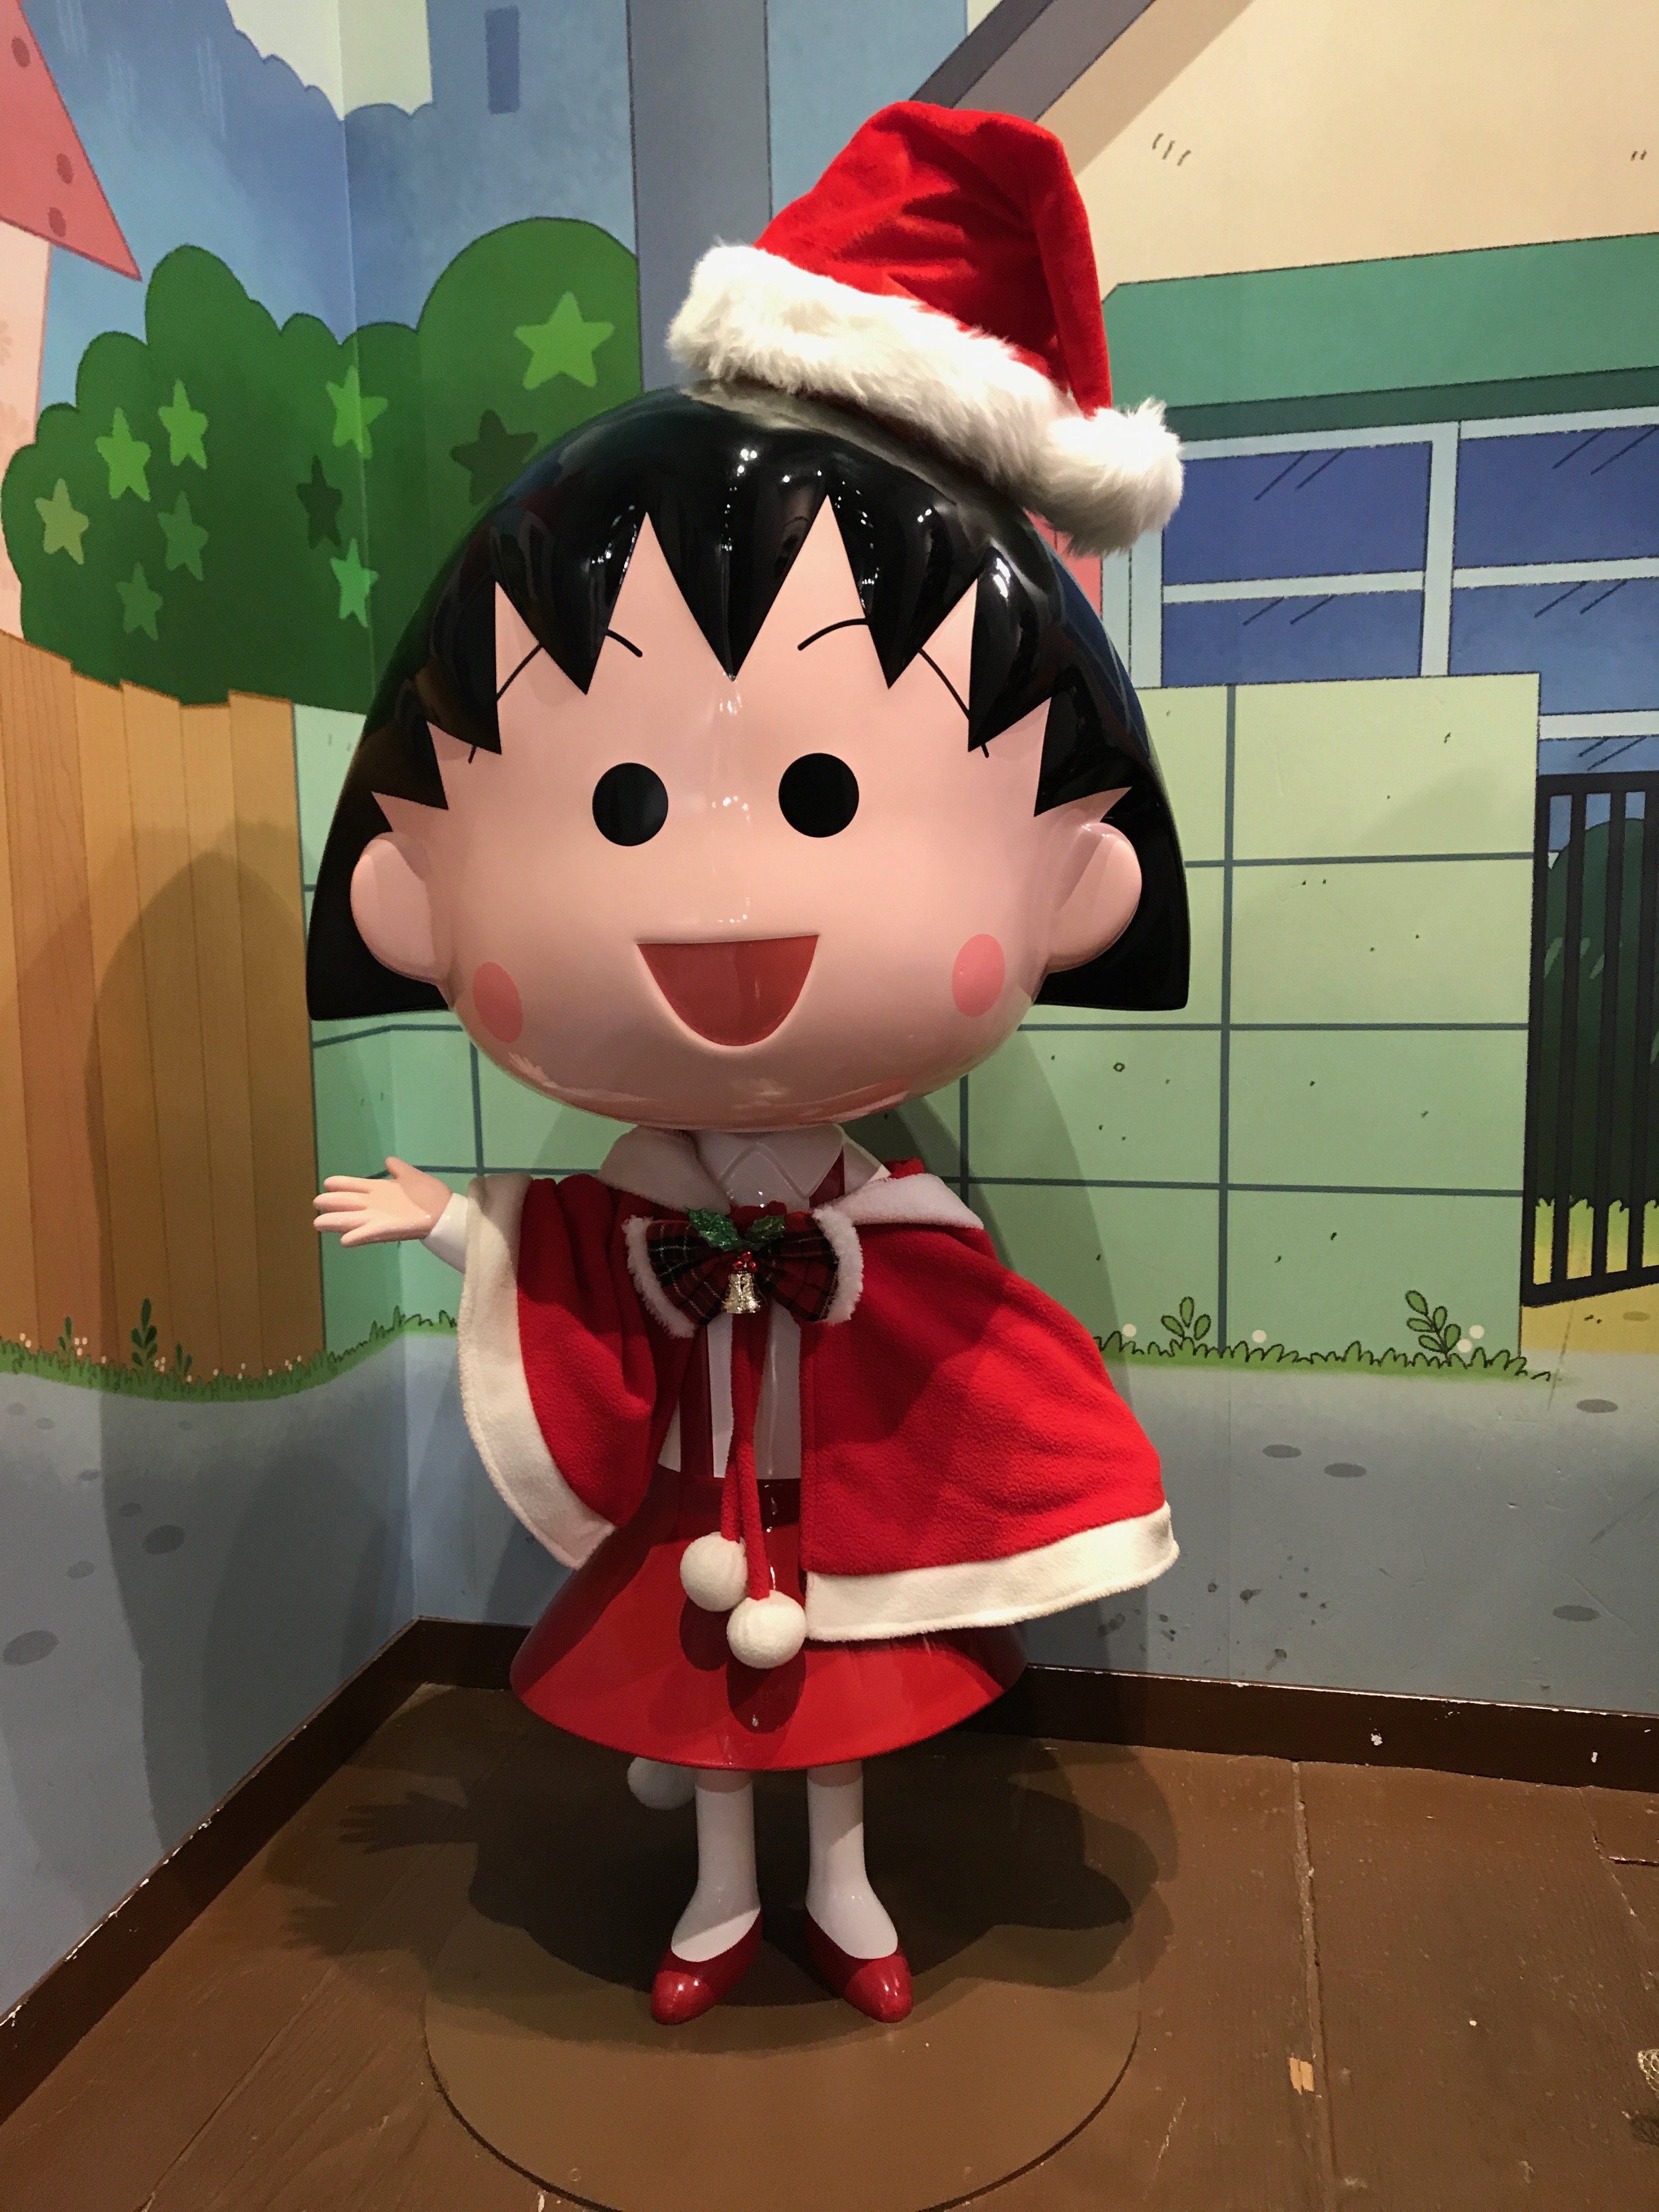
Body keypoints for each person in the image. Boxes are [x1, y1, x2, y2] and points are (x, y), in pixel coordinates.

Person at [309, 101, 1186, 2029]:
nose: (727, 901)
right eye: (627, 806)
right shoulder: (639, 1199)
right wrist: (458, 1219)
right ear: (409, 885)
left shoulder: (894, 1215)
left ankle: (846, 1892)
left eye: (822, 798)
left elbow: (962, 1329)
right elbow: (572, 1258)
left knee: (844, 1704)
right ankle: (717, 1904)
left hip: (838, 1500)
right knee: (703, 1714)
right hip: (689, 1500)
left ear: (1079, 879)